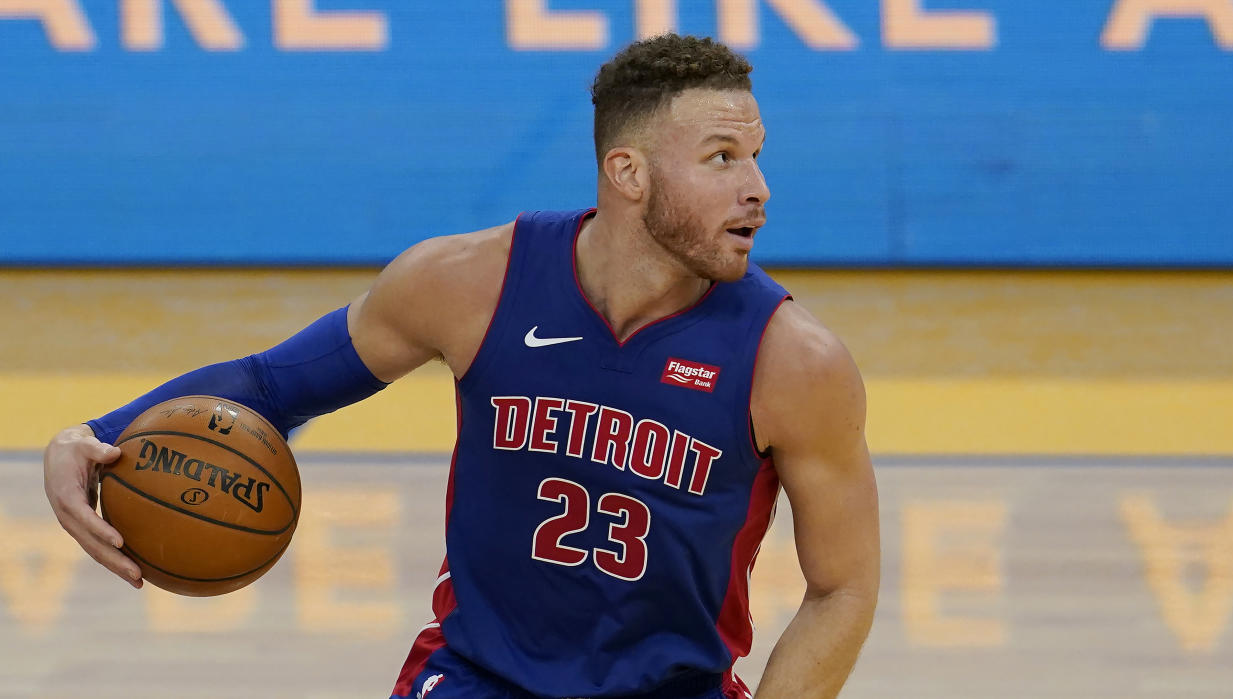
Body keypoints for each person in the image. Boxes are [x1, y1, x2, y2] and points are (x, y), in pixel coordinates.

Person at [43, 34, 879, 699]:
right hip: (475, 680)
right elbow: (273, 385)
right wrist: (98, 434)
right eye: (723, 158)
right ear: (627, 172)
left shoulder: (793, 360)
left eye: (758, 156)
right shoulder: (470, 283)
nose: (759, 188)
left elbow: (841, 587)